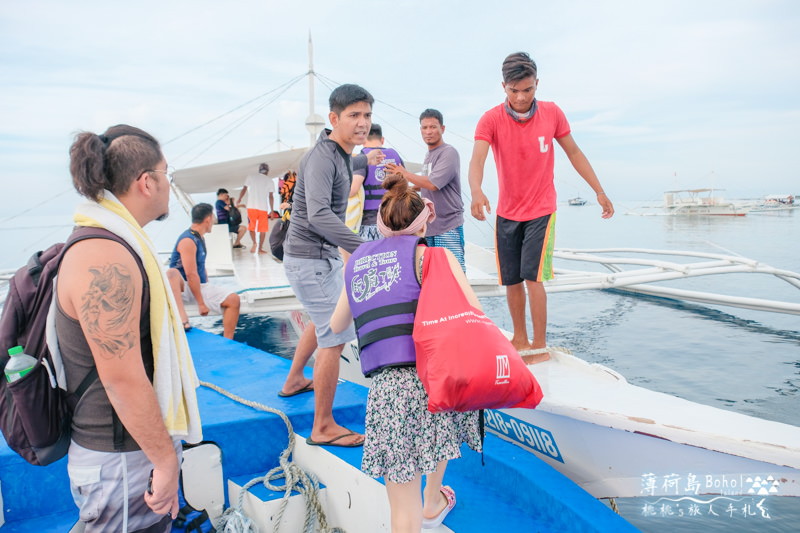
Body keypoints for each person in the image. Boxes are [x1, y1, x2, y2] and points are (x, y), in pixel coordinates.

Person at [57, 124, 202, 532]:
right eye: (166, 175)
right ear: (145, 183)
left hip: (128, 452)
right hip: (120, 456)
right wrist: (165, 460)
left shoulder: (114, 243)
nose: (168, 186)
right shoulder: (106, 256)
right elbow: (120, 377)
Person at [331, 174, 481, 532]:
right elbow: (475, 315)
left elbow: (338, 325)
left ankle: (428, 500)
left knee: (402, 512)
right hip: (434, 385)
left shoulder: (357, 262)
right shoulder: (435, 257)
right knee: (457, 410)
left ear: (381, 224)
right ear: (426, 218)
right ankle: (434, 497)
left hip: (387, 393)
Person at [468, 52, 615, 362]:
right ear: (504, 87)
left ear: (537, 84)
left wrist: (599, 191)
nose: (521, 98)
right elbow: (477, 159)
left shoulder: (552, 113)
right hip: (507, 212)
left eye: (528, 90)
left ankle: (539, 344)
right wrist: (476, 190)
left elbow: (574, 153)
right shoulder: (491, 118)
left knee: (534, 278)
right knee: (511, 280)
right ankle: (519, 338)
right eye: (514, 91)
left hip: (541, 210)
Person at [279, 83, 383, 447]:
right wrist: (365, 250)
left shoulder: (341, 154)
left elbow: (352, 160)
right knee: (334, 338)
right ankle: (323, 426)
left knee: (324, 320)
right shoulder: (324, 158)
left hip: (315, 258)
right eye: (354, 115)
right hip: (312, 259)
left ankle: (293, 380)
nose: (362, 122)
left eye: (367, 115)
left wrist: (367, 159)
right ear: (334, 118)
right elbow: (320, 214)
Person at [385, 109, 466, 271]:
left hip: (448, 226)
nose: (428, 132)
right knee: (432, 274)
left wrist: (404, 173)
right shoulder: (429, 155)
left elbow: (433, 184)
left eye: (433, 127)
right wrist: (400, 189)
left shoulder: (448, 153)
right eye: (424, 127)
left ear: (442, 129)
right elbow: (423, 184)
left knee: (454, 272)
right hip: (429, 227)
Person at [167, 203, 241, 339]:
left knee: (234, 300)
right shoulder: (187, 240)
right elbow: (190, 274)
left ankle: (227, 342)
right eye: (212, 218)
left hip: (199, 286)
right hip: (181, 288)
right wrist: (201, 303)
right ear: (208, 219)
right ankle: (182, 318)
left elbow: (200, 267)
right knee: (171, 273)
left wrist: (207, 285)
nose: (213, 221)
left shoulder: (200, 237)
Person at [350, 123, 404, 241]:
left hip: (371, 222)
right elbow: (405, 182)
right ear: (382, 139)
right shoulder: (395, 156)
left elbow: (353, 189)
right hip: (395, 221)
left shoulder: (365, 157)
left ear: (363, 139)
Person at [237, 162, 275, 254]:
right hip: (263, 208)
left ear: (259, 170)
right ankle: (260, 249)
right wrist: (272, 210)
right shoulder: (270, 181)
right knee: (263, 229)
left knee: (251, 227)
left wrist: (240, 198)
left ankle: (254, 243)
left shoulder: (251, 176)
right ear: (267, 172)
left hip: (251, 207)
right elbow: (271, 196)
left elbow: (244, 189)